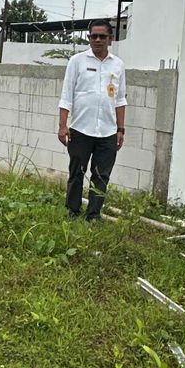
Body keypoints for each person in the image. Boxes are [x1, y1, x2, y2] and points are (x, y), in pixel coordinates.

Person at [57, 21, 127, 221]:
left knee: (101, 176)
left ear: (110, 39)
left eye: (102, 36)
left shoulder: (118, 65)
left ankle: (93, 215)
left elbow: (120, 99)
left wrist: (120, 129)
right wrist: (62, 126)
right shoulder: (77, 61)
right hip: (80, 130)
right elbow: (66, 96)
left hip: (108, 132)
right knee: (76, 172)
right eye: (93, 36)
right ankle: (72, 211)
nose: (97, 40)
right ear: (89, 38)